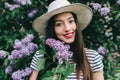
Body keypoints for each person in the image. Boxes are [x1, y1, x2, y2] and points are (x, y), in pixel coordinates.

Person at [29, 0, 104, 80]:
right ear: (52, 29)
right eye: (59, 24)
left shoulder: (92, 58)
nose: (67, 28)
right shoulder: (41, 56)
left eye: (71, 21)